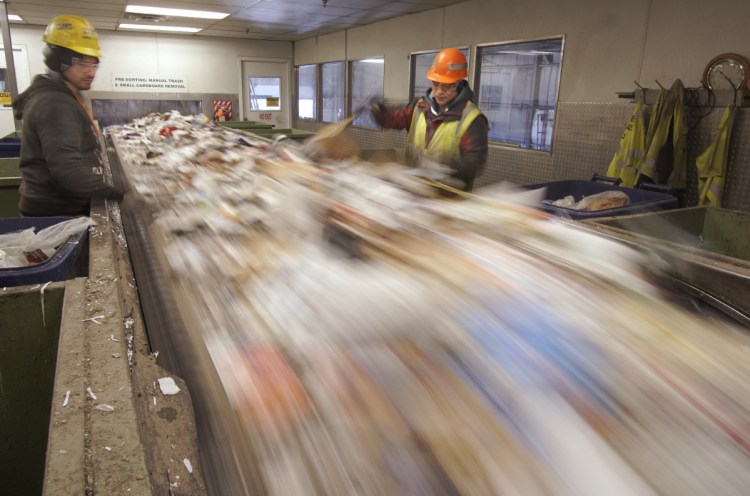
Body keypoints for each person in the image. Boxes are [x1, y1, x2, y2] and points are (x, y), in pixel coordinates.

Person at [12, 14, 124, 217]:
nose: (91, 73)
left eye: (94, 64)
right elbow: (68, 170)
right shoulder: (55, 103)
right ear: (59, 62)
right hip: (56, 213)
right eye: (82, 64)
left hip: (57, 205)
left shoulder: (65, 95)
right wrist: (119, 194)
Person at [370, 48, 489, 191]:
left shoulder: (471, 119)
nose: (439, 91)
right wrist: (379, 112)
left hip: (448, 198)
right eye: (435, 84)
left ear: (458, 83)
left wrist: (446, 165)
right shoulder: (420, 107)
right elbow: (392, 119)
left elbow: (475, 163)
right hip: (414, 190)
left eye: (447, 86)